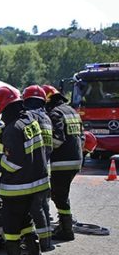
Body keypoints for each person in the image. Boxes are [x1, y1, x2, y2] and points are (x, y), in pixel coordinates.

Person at [0, 86, 49, 255]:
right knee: (26, 221)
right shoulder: (30, 121)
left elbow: (12, 164)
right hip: (36, 183)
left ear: (0, 105)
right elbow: (23, 147)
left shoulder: (12, 129)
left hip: (18, 187)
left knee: (11, 224)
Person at [42, 84, 84, 242]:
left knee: (58, 195)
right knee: (61, 194)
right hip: (76, 159)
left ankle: (66, 230)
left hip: (63, 162)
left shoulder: (55, 113)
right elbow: (82, 136)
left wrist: (41, 147)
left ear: (48, 100)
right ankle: (65, 226)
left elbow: (57, 140)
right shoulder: (71, 111)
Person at [23, 85, 54, 251]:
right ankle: (47, 241)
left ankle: (41, 244)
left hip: (33, 169)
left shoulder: (31, 116)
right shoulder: (46, 118)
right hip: (44, 166)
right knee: (44, 206)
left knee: (35, 208)